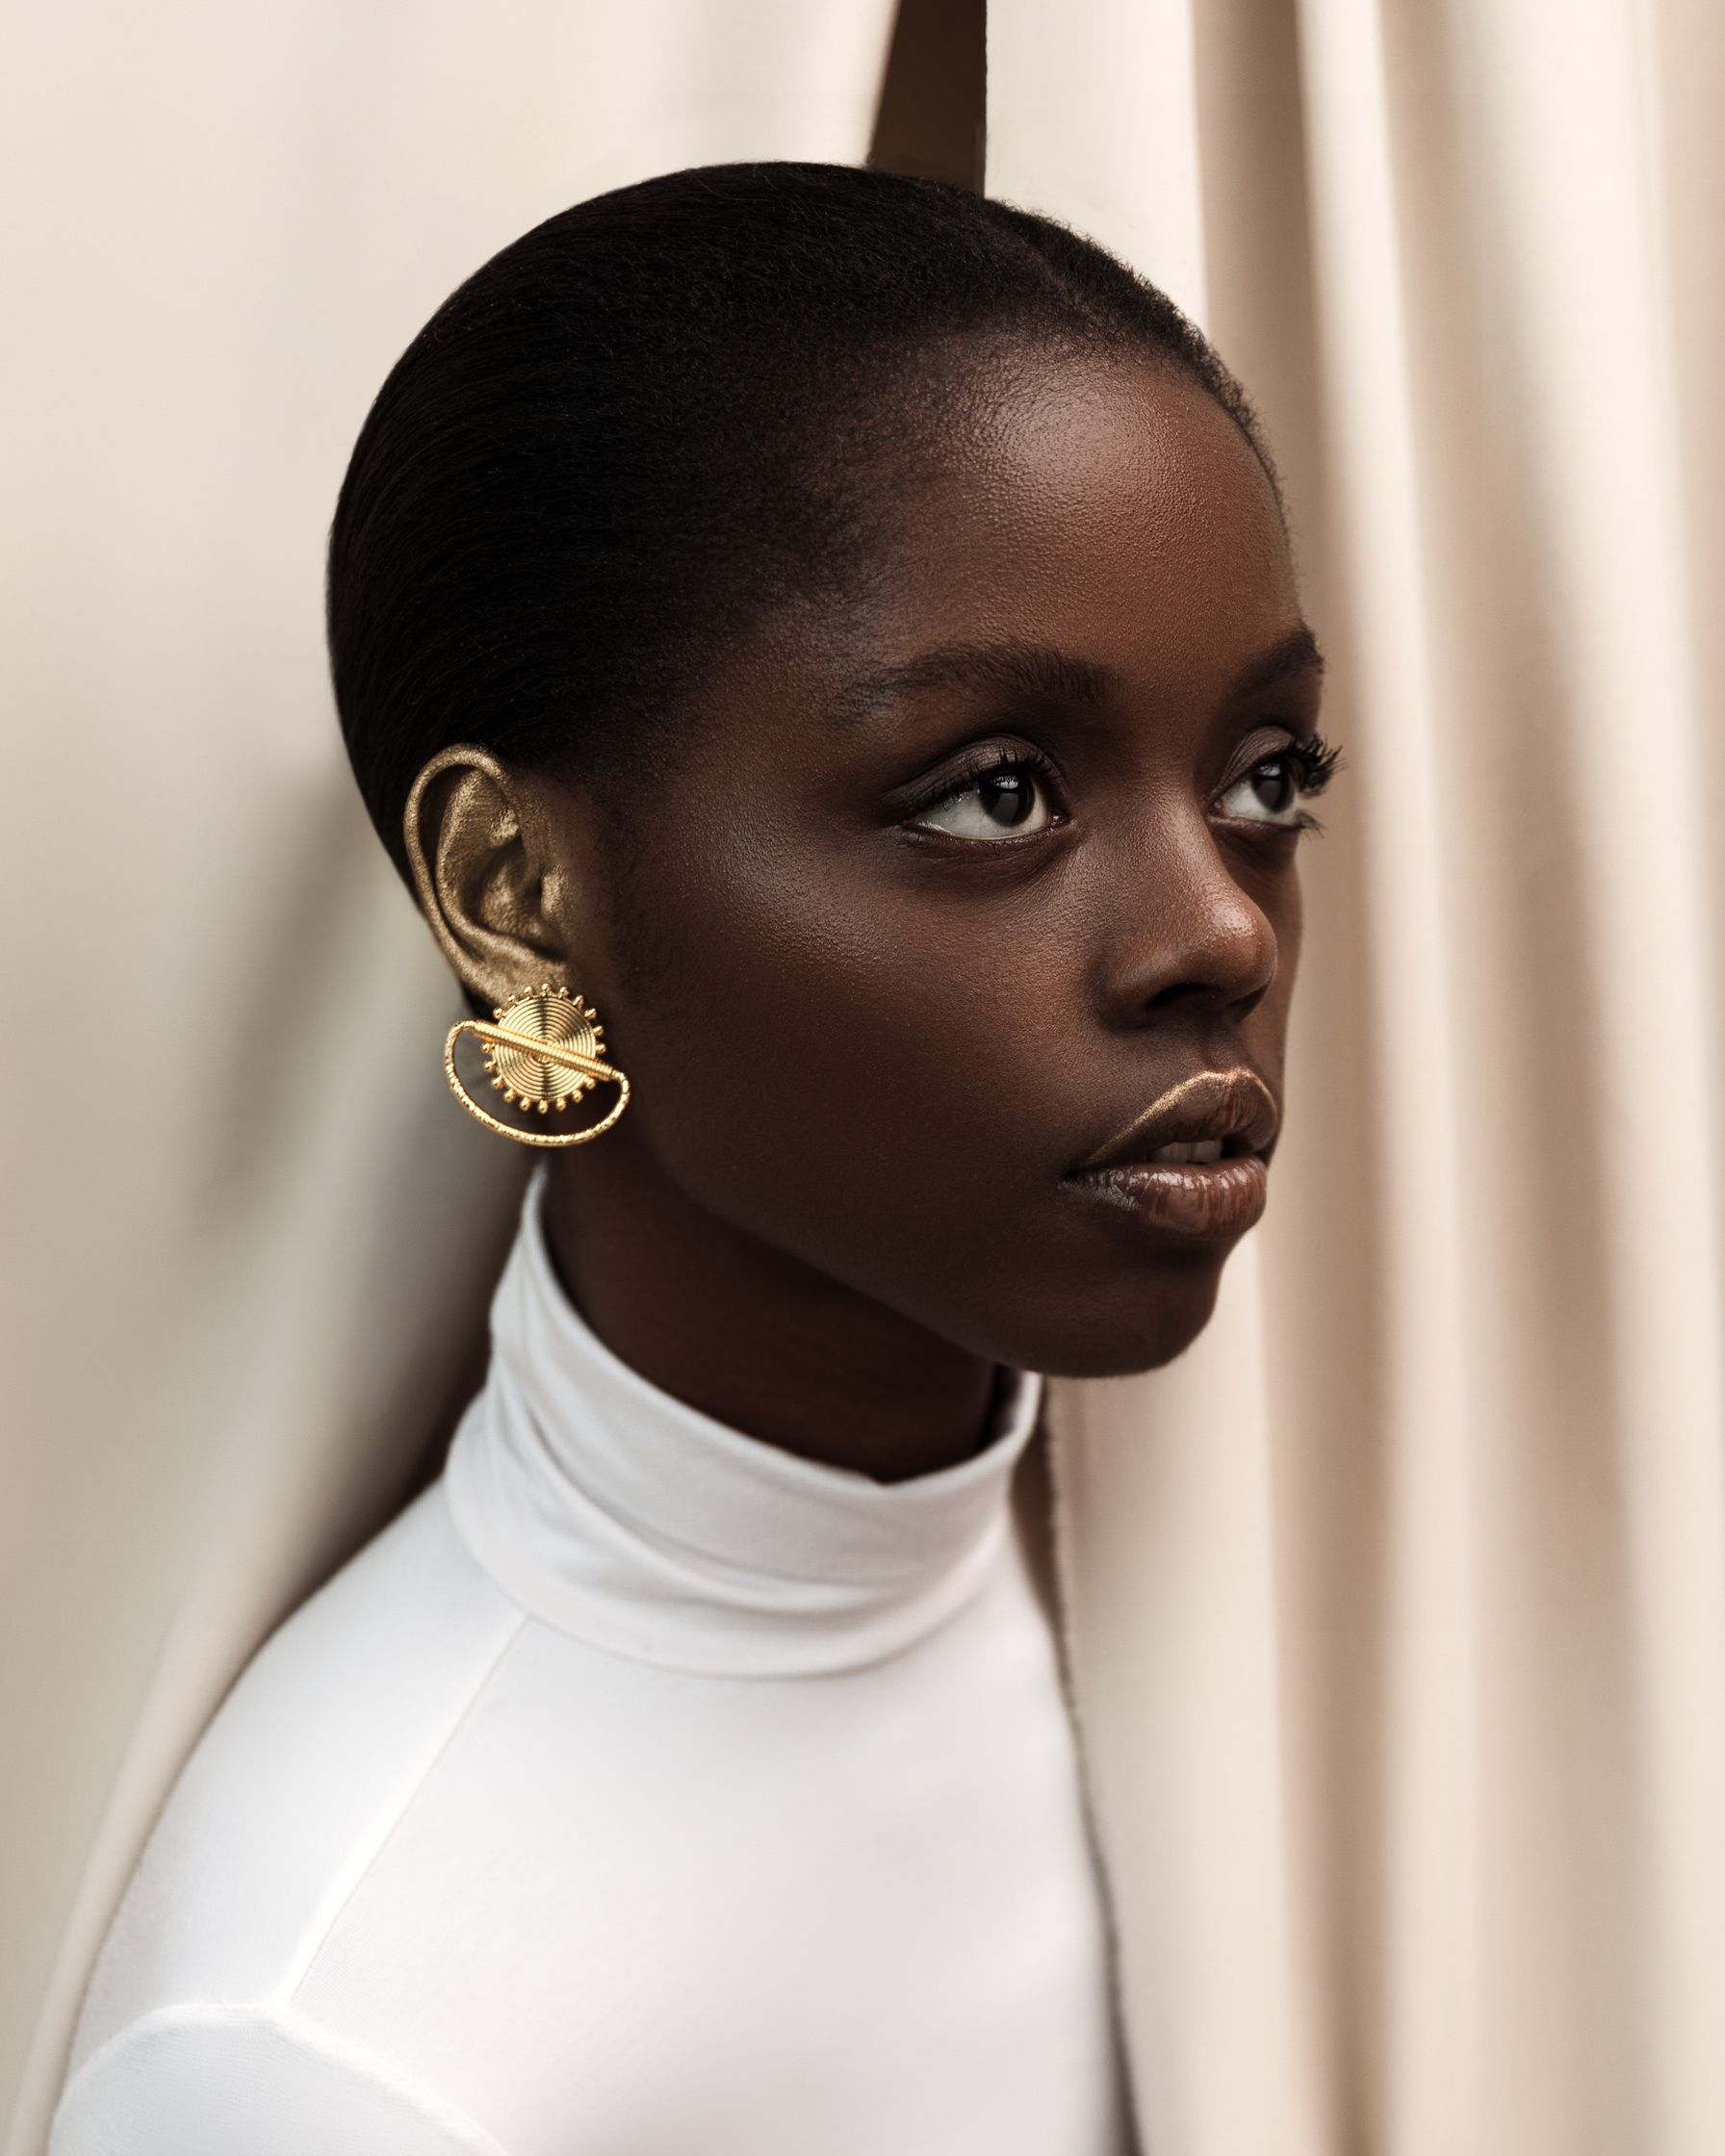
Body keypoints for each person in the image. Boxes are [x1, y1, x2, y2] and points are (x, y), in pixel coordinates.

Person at [50, 163, 1335, 2155]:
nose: (1221, 935)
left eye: (1267, 780)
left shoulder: (1295, 1590)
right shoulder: (328, 2056)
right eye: (994, 790)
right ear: (515, 893)